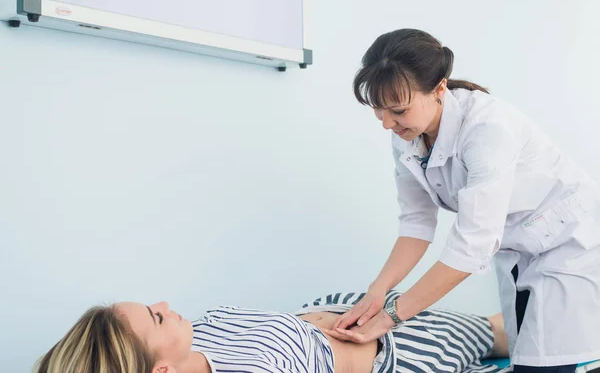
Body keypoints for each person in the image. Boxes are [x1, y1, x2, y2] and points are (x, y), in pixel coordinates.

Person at [328, 28, 600, 373]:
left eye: (397, 110)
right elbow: (416, 221)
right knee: (527, 355)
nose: (386, 124)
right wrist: (377, 291)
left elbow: (470, 248)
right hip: (518, 244)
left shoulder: (487, 130)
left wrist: (390, 317)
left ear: (439, 88)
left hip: (565, 240)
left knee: (546, 360)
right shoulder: (407, 134)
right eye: (378, 110)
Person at [35, 291, 509, 373]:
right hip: (394, 354)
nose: (164, 305)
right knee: (497, 334)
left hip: (336, 309)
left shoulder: (194, 338)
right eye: (155, 318)